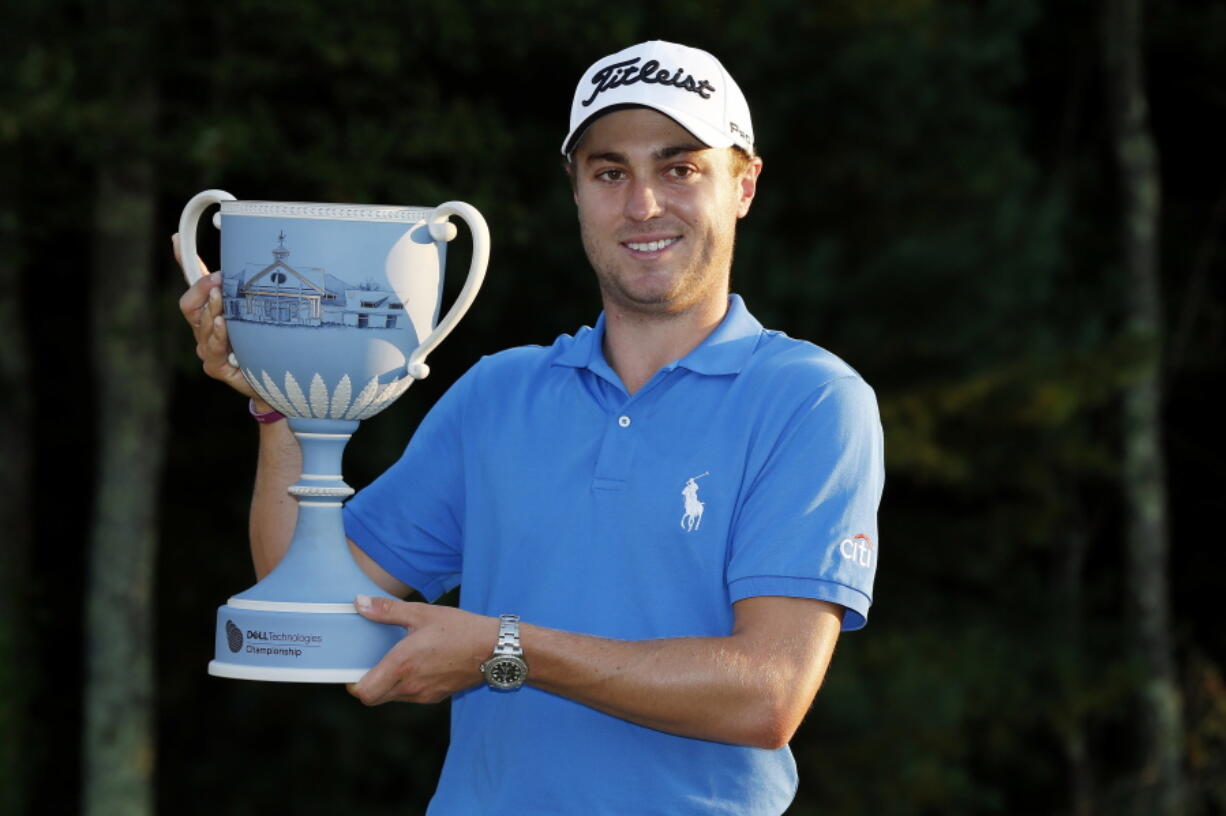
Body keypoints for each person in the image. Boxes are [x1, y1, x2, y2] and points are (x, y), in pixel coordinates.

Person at [178, 40, 884, 815]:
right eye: (610, 172)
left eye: (680, 168)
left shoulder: (811, 401)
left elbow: (767, 695)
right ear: (576, 191)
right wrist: (281, 402)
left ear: (744, 184)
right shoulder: (498, 392)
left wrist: (502, 652)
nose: (644, 204)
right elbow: (307, 602)